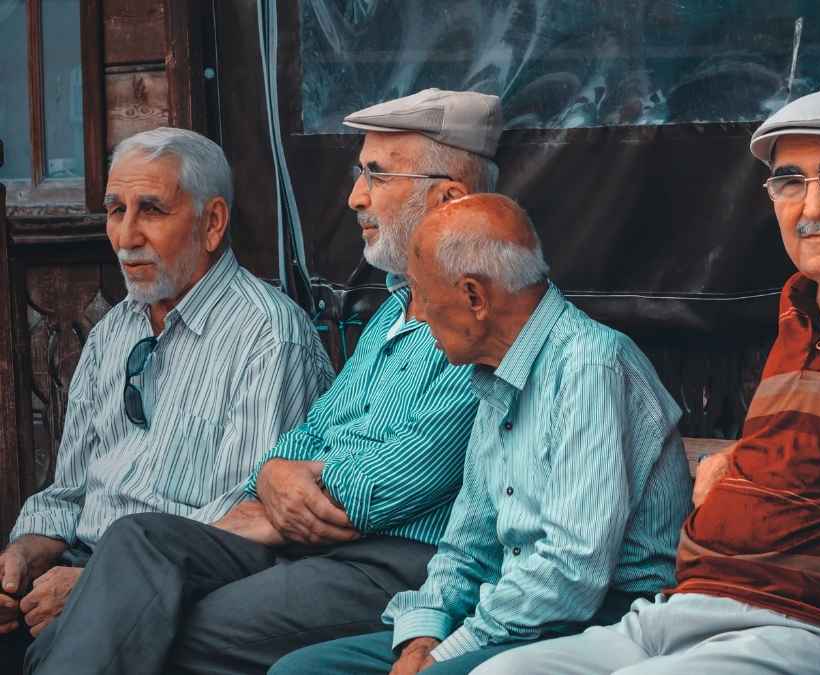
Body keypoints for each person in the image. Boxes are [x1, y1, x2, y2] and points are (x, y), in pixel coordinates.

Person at [478, 87, 820, 675]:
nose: (812, 208)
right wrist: (741, 463)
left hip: (814, 624)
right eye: (790, 182)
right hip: (677, 608)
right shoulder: (798, 302)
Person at [24, 89, 502, 675]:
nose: (354, 196)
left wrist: (282, 493)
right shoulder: (393, 311)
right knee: (136, 545)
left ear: (448, 198)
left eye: (376, 175)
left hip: (401, 562)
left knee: (159, 619)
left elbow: (387, 484)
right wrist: (277, 475)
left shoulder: (478, 316)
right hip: (313, 549)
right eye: (361, 174)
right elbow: (306, 436)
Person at [268, 193, 693, 675]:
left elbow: (573, 571)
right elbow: (466, 545)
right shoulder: (494, 373)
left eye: (424, 297)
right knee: (300, 670)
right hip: (509, 615)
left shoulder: (589, 364)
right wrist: (421, 635)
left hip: (603, 619)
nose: (421, 317)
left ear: (474, 296)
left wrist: (448, 651)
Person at [0, 127, 332, 664]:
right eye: (115, 210)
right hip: (88, 564)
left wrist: (93, 583)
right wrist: (27, 551)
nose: (126, 236)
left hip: (187, 580)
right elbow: (70, 490)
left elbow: (247, 515)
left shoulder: (266, 334)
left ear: (213, 223)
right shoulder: (113, 331)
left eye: (151, 210)